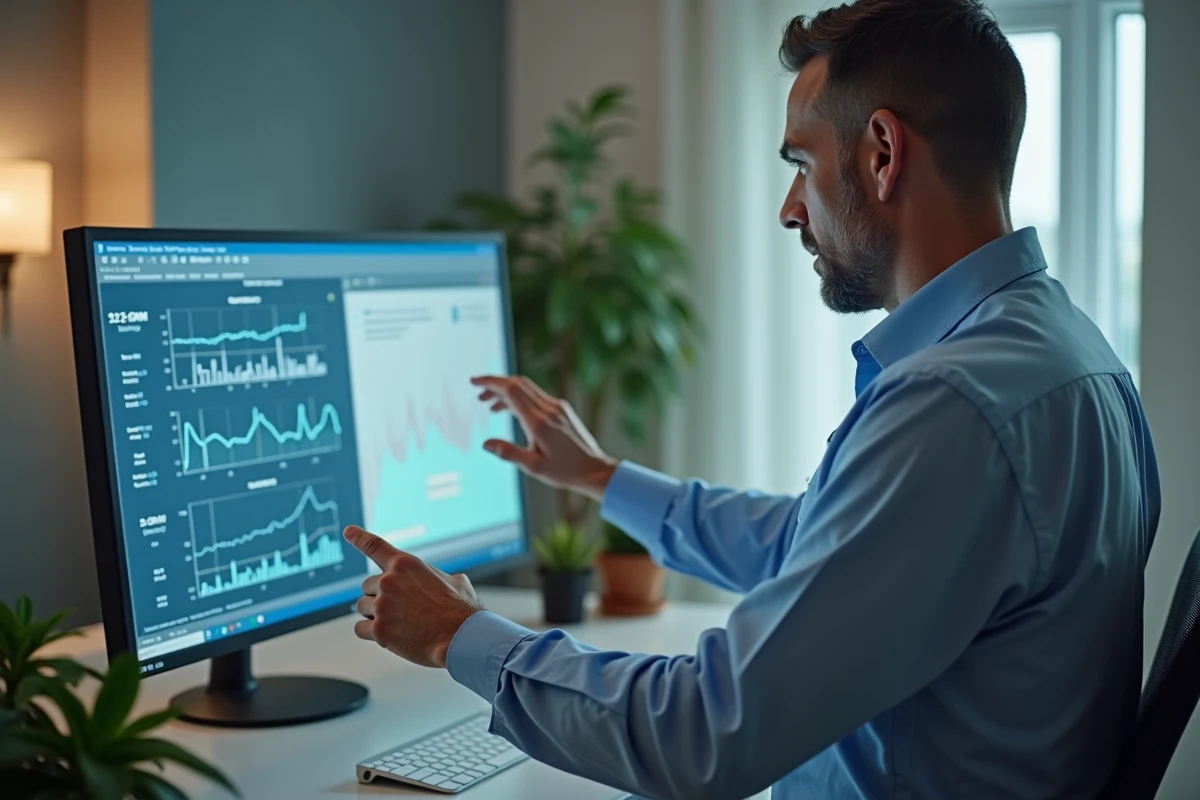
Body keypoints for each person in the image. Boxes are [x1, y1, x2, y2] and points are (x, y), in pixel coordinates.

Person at [343, 0, 1160, 797]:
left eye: (801, 164)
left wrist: (459, 635)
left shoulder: (954, 405)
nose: (789, 208)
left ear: (882, 153)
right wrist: (599, 477)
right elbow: (824, 549)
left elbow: (707, 735)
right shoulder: (1072, 357)